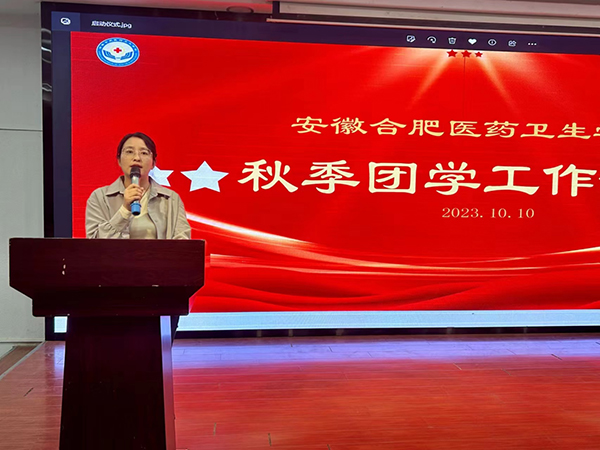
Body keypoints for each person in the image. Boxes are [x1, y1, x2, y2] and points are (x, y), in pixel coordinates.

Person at [85, 132, 191, 340]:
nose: (136, 158)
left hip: (159, 289)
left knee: (157, 351)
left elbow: (182, 243)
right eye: (129, 152)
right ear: (119, 160)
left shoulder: (170, 199)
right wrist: (124, 210)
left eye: (144, 153)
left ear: (153, 162)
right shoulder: (99, 197)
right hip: (113, 288)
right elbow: (95, 245)